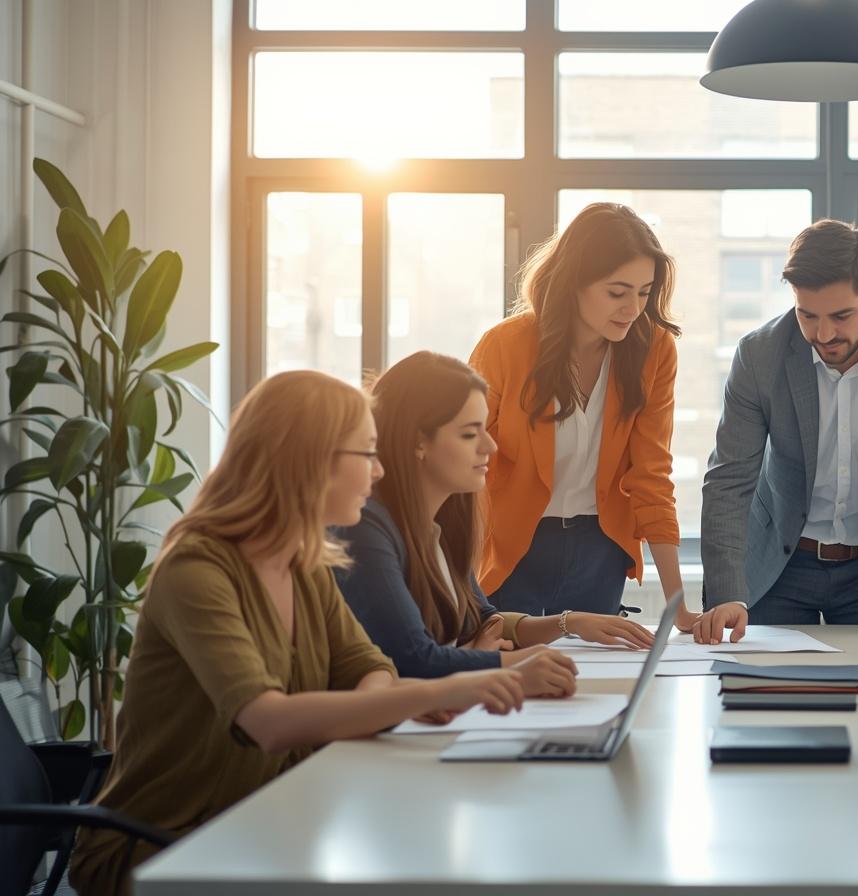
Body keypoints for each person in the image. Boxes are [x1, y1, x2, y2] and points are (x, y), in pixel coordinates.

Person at [70, 371, 573, 896]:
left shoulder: (306, 562)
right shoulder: (197, 570)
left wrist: (395, 695)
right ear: (308, 458)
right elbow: (266, 720)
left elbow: (371, 670)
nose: (379, 472)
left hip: (276, 815)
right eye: (367, 454)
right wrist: (447, 688)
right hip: (166, 845)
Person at [696, 220, 858, 641]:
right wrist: (727, 592)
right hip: (777, 565)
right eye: (807, 315)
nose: (823, 334)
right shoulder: (759, 355)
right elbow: (728, 481)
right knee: (756, 695)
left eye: (841, 316)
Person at [335, 351, 656, 678]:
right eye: (470, 434)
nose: (490, 445)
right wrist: (509, 663)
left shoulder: (438, 523)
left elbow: (485, 621)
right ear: (419, 442)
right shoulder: (366, 529)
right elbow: (415, 659)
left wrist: (571, 622)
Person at [469, 203, 694, 631]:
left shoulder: (655, 350)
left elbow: (652, 476)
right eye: (617, 291)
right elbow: (464, 467)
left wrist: (678, 608)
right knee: (508, 684)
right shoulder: (505, 346)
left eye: (644, 292)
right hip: (512, 548)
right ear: (574, 283)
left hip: (600, 553)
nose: (633, 308)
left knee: (590, 687)